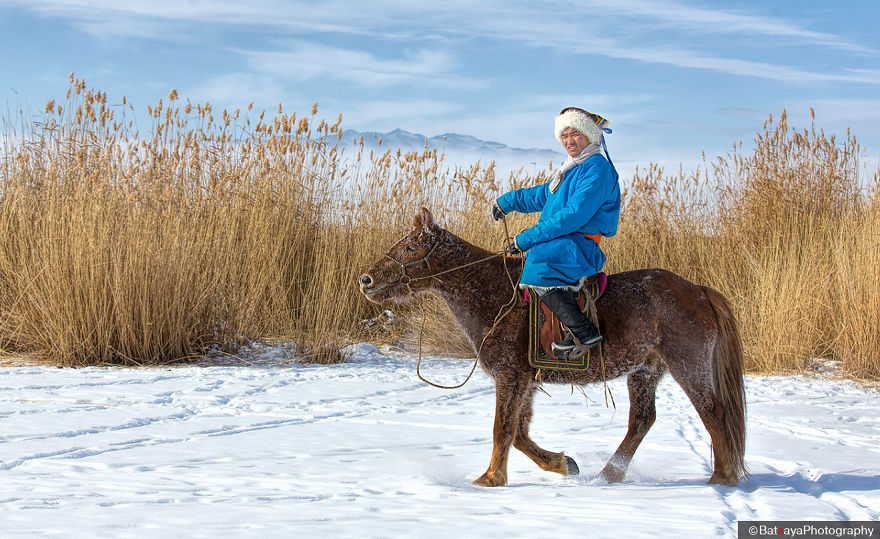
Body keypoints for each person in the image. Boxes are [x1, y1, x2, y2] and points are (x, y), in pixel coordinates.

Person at [491, 107, 620, 359]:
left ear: (589, 135)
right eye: (564, 135)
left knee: (539, 266)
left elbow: (573, 215)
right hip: (566, 240)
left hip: (579, 244)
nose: (569, 141)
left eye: (575, 134)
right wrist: (508, 201)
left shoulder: (597, 168)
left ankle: (583, 332)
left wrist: (526, 239)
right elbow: (545, 195)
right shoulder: (572, 167)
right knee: (536, 258)